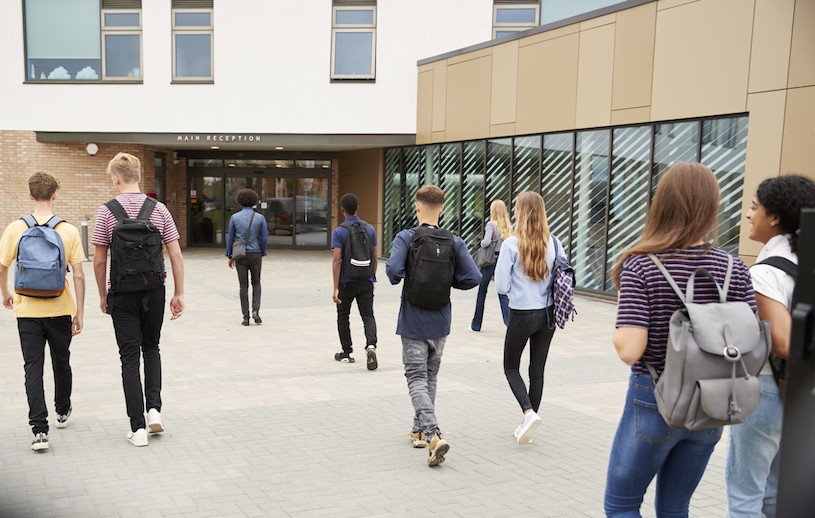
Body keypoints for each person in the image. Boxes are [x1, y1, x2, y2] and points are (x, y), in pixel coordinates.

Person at [603, 162, 756, 517]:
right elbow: (751, 344)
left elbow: (630, 349)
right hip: (714, 402)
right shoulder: (734, 268)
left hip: (655, 398)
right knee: (675, 507)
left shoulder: (642, 265)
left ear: (662, 204)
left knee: (621, 506)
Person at [726, 174, 815, 518]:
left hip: (766, 389)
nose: (749, 215)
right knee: (775, 497)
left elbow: (780, 340)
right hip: (799, 393)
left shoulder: (765, 272)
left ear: (774, 217)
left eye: (754, 207)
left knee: (745, 496)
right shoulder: (803, 265)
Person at [92, 152, 185, 448]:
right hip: (154, 290)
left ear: (116, 178)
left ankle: (137, 428)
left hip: (121, 292)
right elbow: (175, 254)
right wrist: (178, 293)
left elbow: (97, 260)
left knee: (129, 357)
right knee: (152, 347)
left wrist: (102, 294)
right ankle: (154, 409)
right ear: (140, 176)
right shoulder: (159, 210)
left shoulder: (107, 212)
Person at [385, 185, 481, 467]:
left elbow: (392, 270)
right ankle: (417, 431)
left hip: (413, 320)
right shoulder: (455, 241)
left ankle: (433, 434)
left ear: (417, 206)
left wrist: (405, 276)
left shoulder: (407, 237)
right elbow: (473, 277)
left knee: (415, 378)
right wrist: (448, 281)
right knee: (430, 377)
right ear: (442, 207)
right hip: (441, 321)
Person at [0, 172, 85, 451]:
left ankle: (39, 430)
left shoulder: (15, 228)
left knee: (32, 368)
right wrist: (79, 312)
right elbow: (80, 276)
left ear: (30, 195)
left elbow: (2, 267)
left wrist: (6, 295)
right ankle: (62, 409)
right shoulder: (69, 230)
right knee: (62, 362)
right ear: (55, 195)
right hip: (60, 308)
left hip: (26, 311)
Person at [495, 192, 566, 445]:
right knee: (537, 370)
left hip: (522, 313)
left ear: (520, 213)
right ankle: (529, 423)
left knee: (510, 366)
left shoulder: (511, 244)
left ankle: (528, 413)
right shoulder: (555, 243)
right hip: (548, 314)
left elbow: (501, 286)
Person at [331, 193, 378, 369]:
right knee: (368, 315)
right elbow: (374, 256)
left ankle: (347, 352)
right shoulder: (370, 229)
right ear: (357, 208)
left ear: (342, 210)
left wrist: (335, 288)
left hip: (346, 281)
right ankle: (371, 345)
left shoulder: (339, 232)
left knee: (343, 316)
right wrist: (371, 277)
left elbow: (337, 260)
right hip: (366, 281)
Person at [226, 188, 268, 326]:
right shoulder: (260, 218)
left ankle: (245, 317)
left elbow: (230, 237)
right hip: (255, 253)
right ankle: (256, 310)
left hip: (240, 255)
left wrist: (230, 255)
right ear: (254, 201)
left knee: (243, 285)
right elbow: (264, 238)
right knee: (256, 282)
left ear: (240, 201)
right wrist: (262, 252)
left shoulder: (235, 217)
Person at [470, 199, 511, 332]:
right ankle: (510, 323)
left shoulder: (491, 224)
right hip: (502, 260)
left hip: (489, 261)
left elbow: (486, 242)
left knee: (482, 292)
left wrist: (482, 242)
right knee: (502, 293)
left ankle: (476, 325)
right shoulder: (508, 226)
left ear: (493, 210)